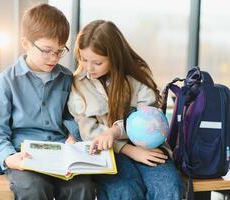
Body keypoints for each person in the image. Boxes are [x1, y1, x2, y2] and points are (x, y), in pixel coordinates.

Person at [0, 4, 95, 200]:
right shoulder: (7, 81)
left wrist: (72, 134)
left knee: (82, 186)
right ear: (26, 43)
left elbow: (74, 115)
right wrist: (9, 157)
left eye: (60, 51)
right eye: (47, 50)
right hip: (24, 156)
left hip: (62, 155)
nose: (54, 57)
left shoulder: (67, 78)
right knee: (33, 188)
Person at [67, 20, 184, 200]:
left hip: (148, 145)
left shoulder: (137, 75)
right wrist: (128, 149)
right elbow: (88, 131)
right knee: (123, 191)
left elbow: (150, 118)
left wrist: (115, 131)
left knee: (169, 187)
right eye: (83, 59)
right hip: (109, 152)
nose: (89, 68)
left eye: (97, 62)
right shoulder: (78, 83)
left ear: (114, 57)